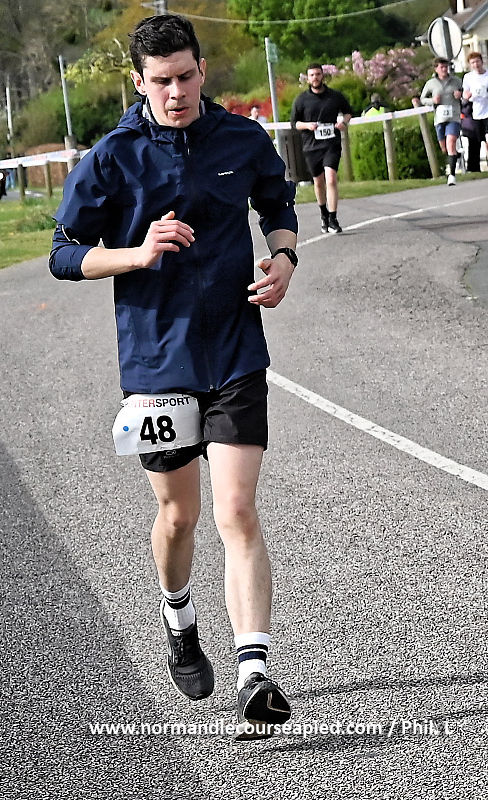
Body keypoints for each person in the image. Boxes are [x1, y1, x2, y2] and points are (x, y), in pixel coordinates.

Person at [49, 13, 298, 741]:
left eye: (187, 76)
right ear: (139, 82)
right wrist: (136, 252)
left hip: (234, 353)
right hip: (157, 362)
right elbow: (64, 253)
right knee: (180, 517)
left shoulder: (241, 139)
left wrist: (284, 259)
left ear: (201, 71)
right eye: (162, 81)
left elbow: (277, 207)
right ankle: (178, 614)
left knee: (237, 511)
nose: (177, 92)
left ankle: (255, 673)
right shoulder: (113, 157)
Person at [290, 62, 353, 234]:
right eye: (312, 75)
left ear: (323, 76)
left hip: (331, 144)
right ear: (308, 78)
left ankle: (333, 218)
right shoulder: (301, 100)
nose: (315, 78)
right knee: (318, 182)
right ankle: (324, 215)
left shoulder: (334, 96)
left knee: (331, 179)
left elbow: (348, 112)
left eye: (318, 74)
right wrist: (308, 126)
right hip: (311, 147)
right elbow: (294, 123)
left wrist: (344, 122)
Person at [420, 57, 462, 185]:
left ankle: (452, 176)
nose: (444, 69)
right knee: (444, 148)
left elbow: (464, 93)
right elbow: (422, 99)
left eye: (446, 67)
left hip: (454, 116)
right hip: (440, 118)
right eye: (441, 67)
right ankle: (454, 156)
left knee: (451, 142)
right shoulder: (431, 83)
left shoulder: (456, 81)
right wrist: (432, 101)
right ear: (436, 69)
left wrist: (459, 95)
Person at [462, 52, 488, 153]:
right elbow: (465, 93)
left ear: (482, 61)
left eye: (477, 61)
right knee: (483, 140)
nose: (476, 64)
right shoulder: (468, 77)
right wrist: (466, 95)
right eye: (473, 62)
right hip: (477, 113)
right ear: (470, 64)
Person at [460, 98, 482, 172]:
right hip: (471, 125)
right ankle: (473, 167)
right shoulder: (467, 103)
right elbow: (466, 111)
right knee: (474, 145)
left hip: (471, 124)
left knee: (475, 146)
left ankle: (473, 167)